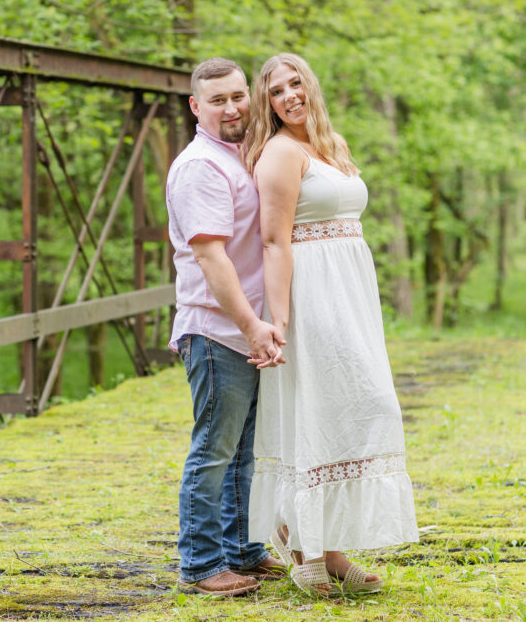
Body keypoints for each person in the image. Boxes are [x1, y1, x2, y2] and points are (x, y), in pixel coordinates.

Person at [243, 53, 419, 596]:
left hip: (350, 293)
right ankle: (304, 550)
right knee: (315, 408)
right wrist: (279, 320)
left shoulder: (332, 144)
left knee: (357, 406)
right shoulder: (278, 153)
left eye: (296, 83)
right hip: (310, 295)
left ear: (310, 85)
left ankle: (330, 546)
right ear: (268, 103)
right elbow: (274, 241)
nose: (289, 95)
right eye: (276, 91)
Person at [166, 57, 288, 597]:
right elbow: (212, 258)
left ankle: (243, 550)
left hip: (247, 329)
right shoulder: (201, 168)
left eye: (239, 96)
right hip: (218, 331)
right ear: (196, 106)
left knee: (242, 450)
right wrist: (252, 325)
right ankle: (201, 564)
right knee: (214, 450)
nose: (232, 107)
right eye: (218, 100)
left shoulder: (242, 156)